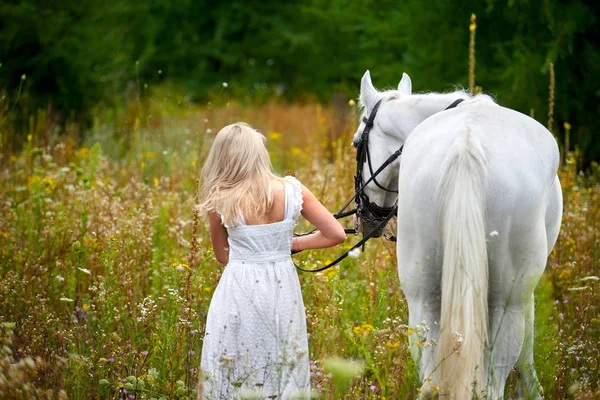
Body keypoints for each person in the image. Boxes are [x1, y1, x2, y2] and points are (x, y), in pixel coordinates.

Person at [198, 122, 346, 399]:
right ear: (259, 153)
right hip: (282, 287)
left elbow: (221, 255)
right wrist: (291, 244)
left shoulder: (220, 198)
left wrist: (253, 251)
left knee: (233, 360)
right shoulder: (292, 190)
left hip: (239, 287)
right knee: (283, 357)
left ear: (222, 157)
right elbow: (336, 234)